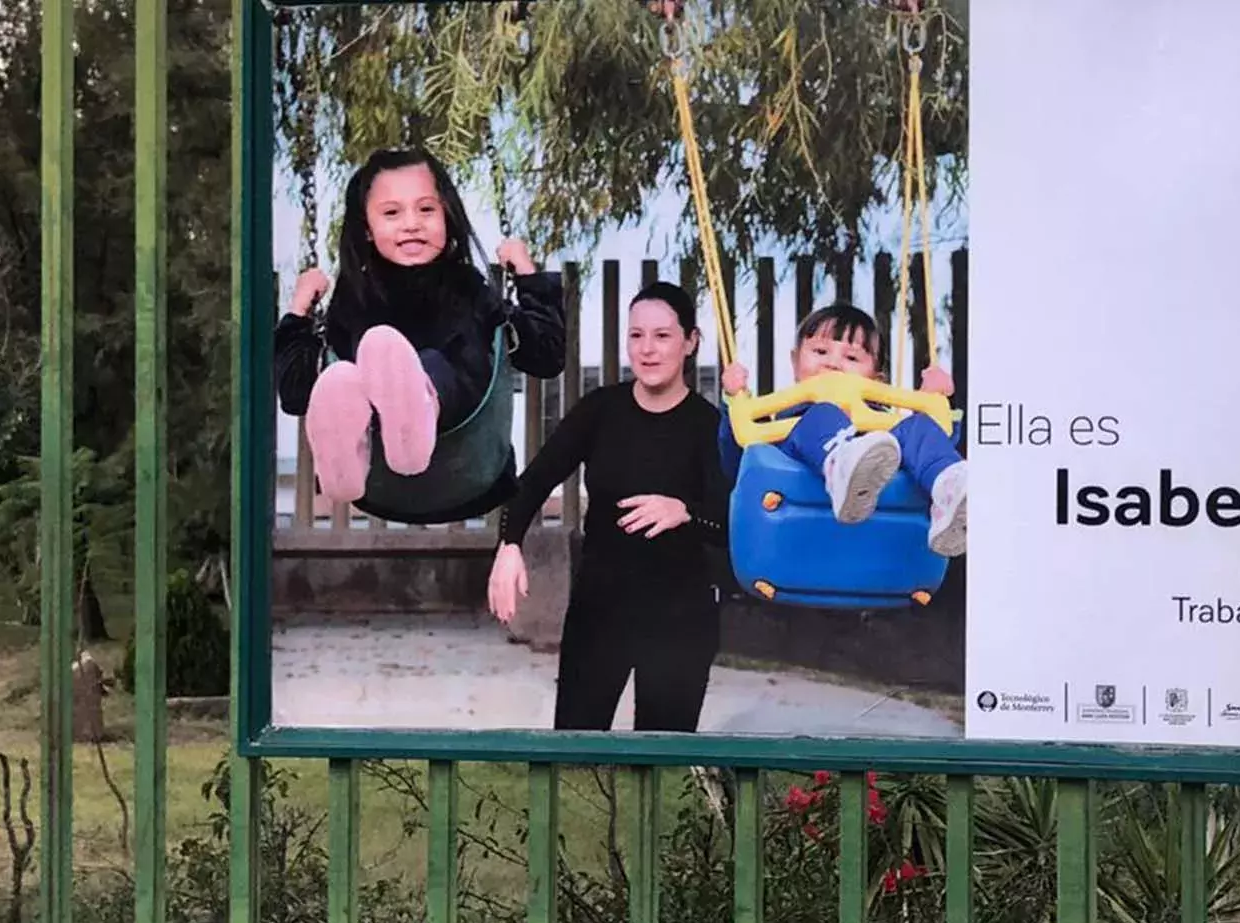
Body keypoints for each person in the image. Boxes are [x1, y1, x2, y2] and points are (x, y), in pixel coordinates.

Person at [274, 146, 567, 524]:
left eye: (426, 209)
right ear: (366, 226)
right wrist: (299, 311)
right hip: (381, 473)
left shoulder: (470, 289)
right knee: (342, 379)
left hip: (465, 456)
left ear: (447, 215)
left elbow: (546, 356)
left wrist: (527, 276)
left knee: (416, 363)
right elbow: (296, 394)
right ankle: (346, 460)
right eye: (392, 213)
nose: (412, 223)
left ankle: (418, 402)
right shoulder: (352, 300)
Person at [486, 281, 731, 733]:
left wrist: (684, 511)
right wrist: (509, 544)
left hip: (681, 617)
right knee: (576, 751)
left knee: (662, 762)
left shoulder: (708, 425)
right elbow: (534, 480)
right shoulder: (601, 410)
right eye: (636, 335)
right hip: (600, 608)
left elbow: (731, 524)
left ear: (690, 342)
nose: (648, 349)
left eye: (662, 336)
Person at [717, 302, 967, 557]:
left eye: (851, 357)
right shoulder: (784, 428)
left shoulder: (889, 430)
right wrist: (735, 401)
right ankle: (840, 463)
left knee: (918, 429)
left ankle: (949, 492)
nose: (833, 364)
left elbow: (936, 442)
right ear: (794, 361)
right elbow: (738, 463)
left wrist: (937, 405)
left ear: (875, 379)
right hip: (799, 540)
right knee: (823, 414)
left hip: (881, 545)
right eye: (820, 351)